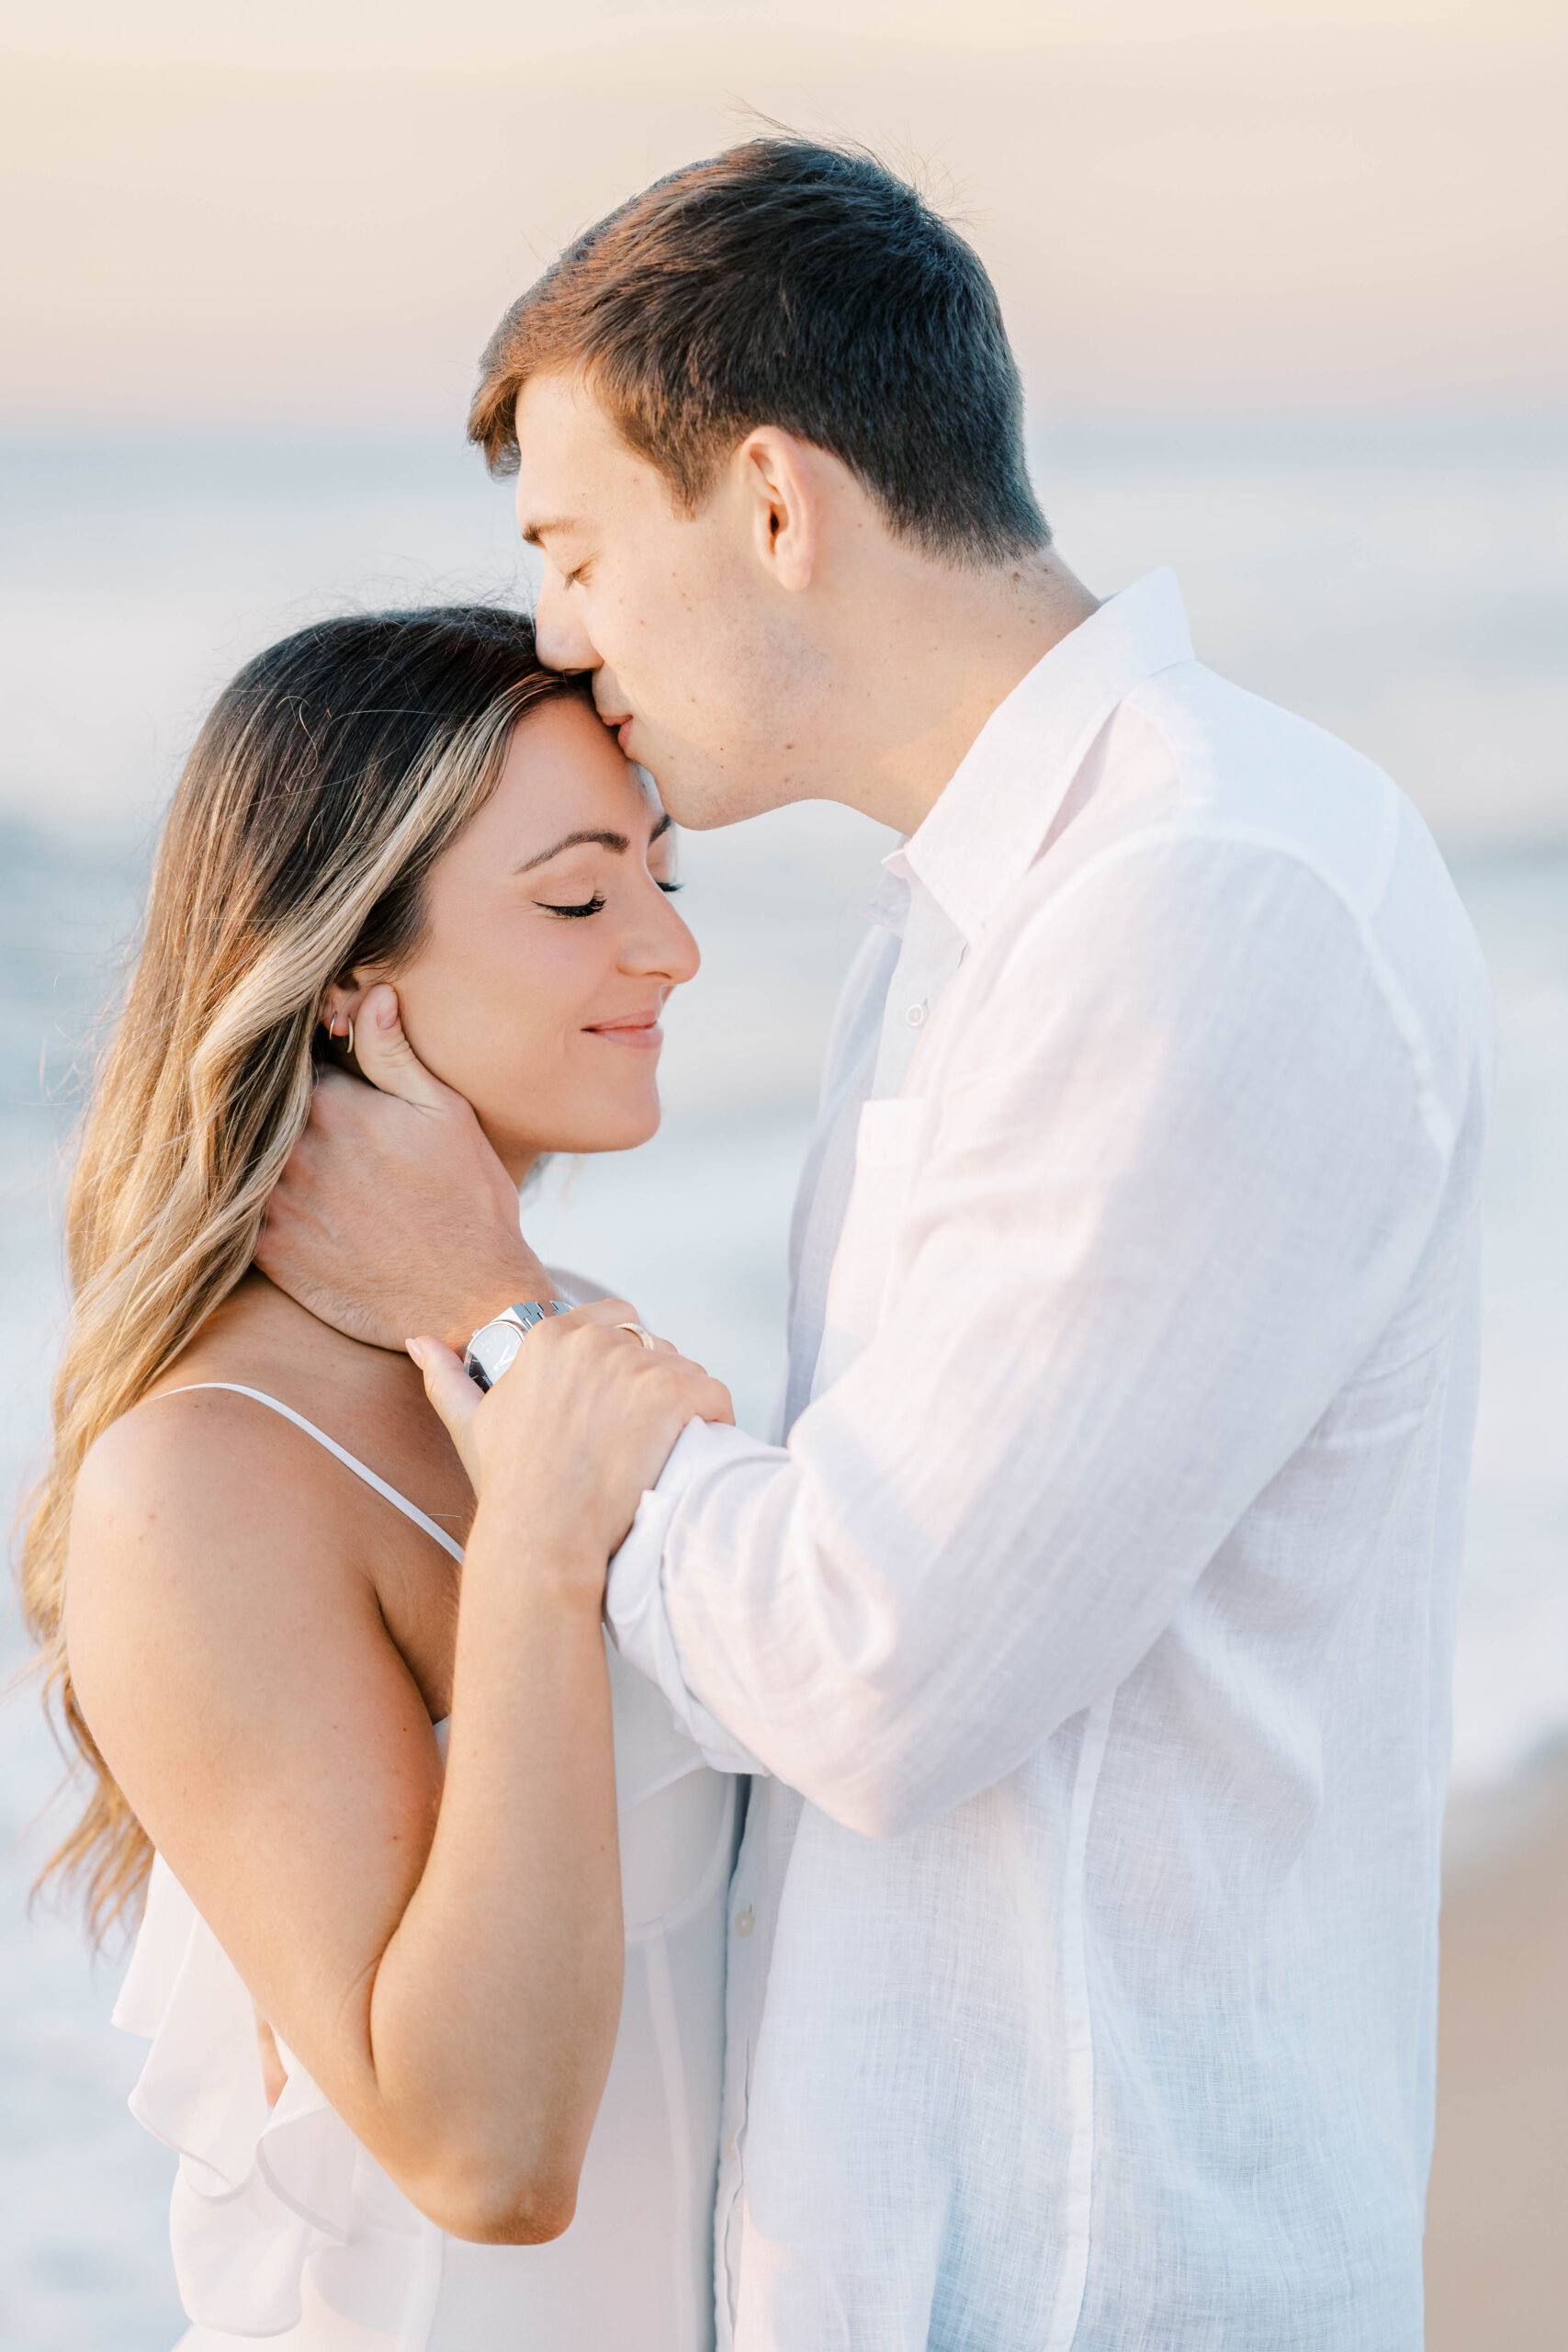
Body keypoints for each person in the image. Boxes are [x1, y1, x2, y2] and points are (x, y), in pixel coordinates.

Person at [259, 140, 1495, 2349]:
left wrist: (496, 1310)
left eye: (571, 547)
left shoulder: (1201, 897)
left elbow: (875, 1661)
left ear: (768, 502)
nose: (561, 637)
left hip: (1100, 2272)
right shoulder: (968, 929)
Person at [22, 606, 738, 2352]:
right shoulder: (197, 1482)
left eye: (663, 875)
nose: (668, 952)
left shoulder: (553, 1346)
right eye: (579, 899)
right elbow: (483, 2157)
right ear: (356, 984)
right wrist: (541, 1559)